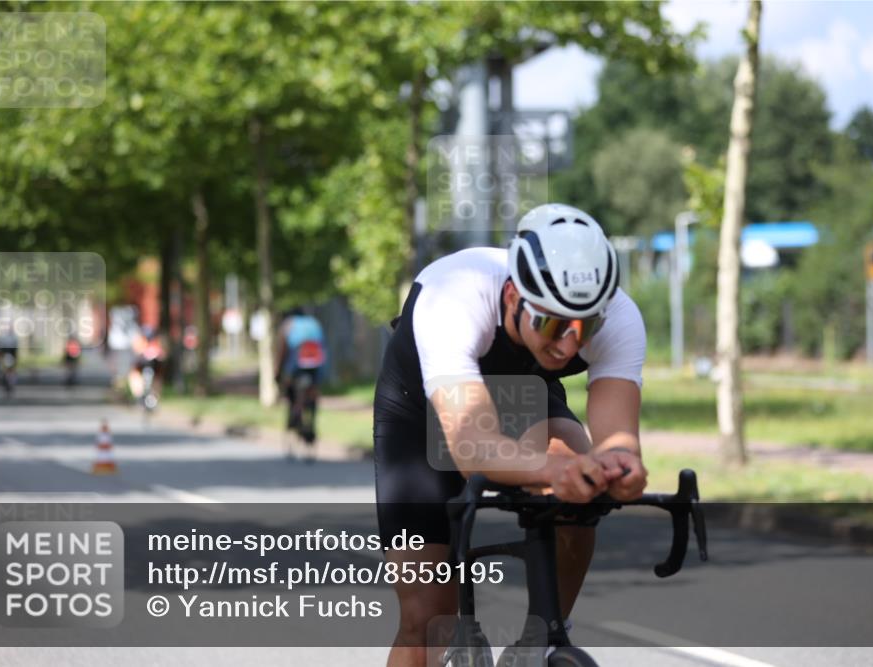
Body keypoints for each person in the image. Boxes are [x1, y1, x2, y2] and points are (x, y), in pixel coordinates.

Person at [373, 203, 648, 667]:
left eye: (586, 328)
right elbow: (472, 447)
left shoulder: (618, 316)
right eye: (553, 324)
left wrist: (623, 468)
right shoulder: (455, 297)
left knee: (580, 487)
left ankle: (538, 639)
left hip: (526, 393)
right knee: (426, 619)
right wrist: (552, 469)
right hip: (421, 407)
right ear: (512, 297)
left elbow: (617, 439)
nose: (568, 345)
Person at [275, 307, 327, 444]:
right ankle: (312, 420)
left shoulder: (288, 324)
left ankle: (295, 414)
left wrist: (278, 373)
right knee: (313, 391)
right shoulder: (314, 323)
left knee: (290, 386)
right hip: (315, 362)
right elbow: (323, 346)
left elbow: (282, 351)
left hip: (296, 361)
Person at [128, 325, 165, 402]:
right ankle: (139, 395)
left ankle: (153, 395)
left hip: (153, 366)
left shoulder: (155, 344)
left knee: (157, 377)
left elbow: (162, 355)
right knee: (134, 374)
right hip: (142, 366)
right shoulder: (140, 343)